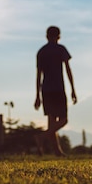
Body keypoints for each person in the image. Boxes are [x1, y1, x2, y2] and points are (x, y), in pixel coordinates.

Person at [34, 26, 77, 156]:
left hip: (45, 90)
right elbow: (68, 70)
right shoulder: (61, 49)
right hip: (58, 88)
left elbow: (38, 75)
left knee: (52, 122)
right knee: (63, 120)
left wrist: (37, 95)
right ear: (59, 36)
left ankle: (58, 152)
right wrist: (73, 90)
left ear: (46, 36)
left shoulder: (41, 52)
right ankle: (42, 137)